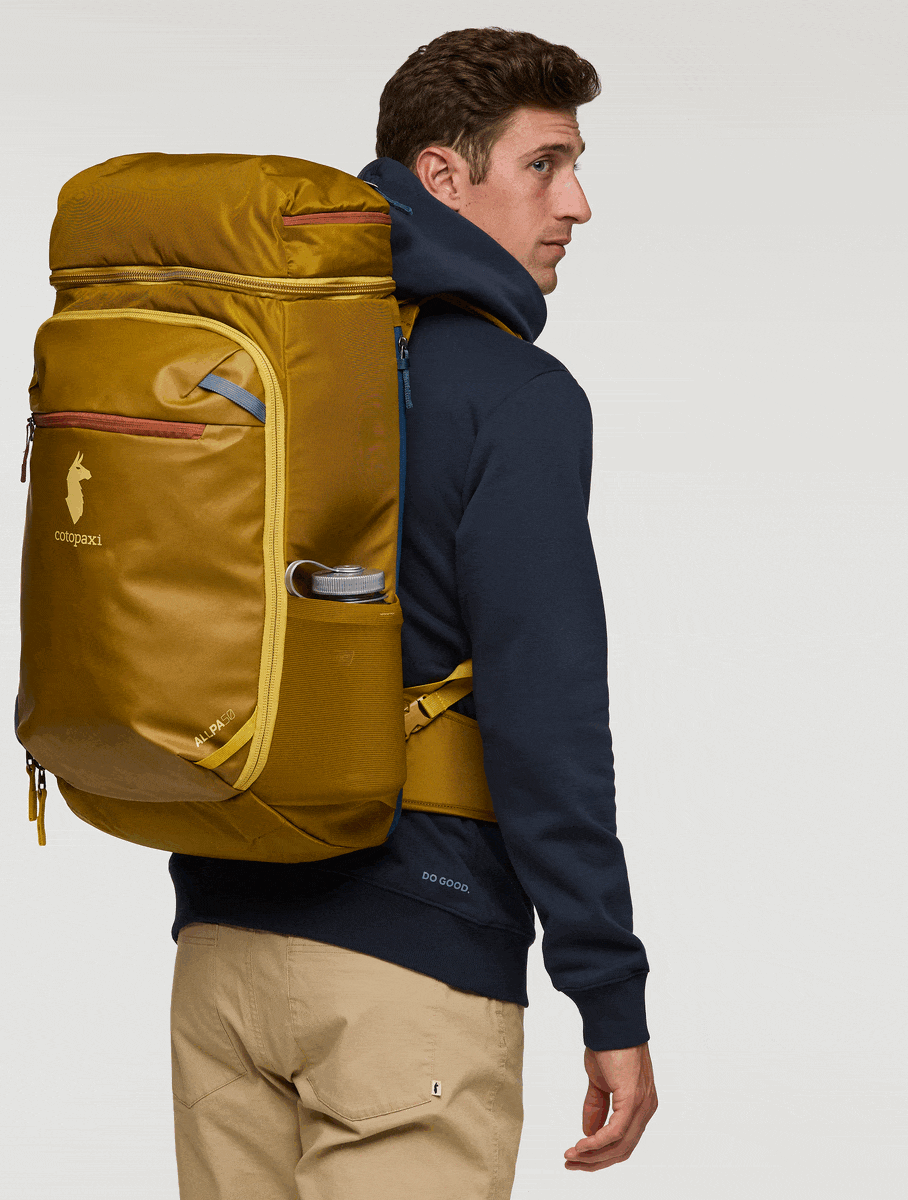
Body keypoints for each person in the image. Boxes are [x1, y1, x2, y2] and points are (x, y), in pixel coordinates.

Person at [167, 27, 656, 1198]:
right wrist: (608, 991)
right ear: (442, 174)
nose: (576, 203)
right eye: (544, 164)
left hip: (220, 947)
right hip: (410, 972)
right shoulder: (515, 395)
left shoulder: (264, 360)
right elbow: (546, 719)